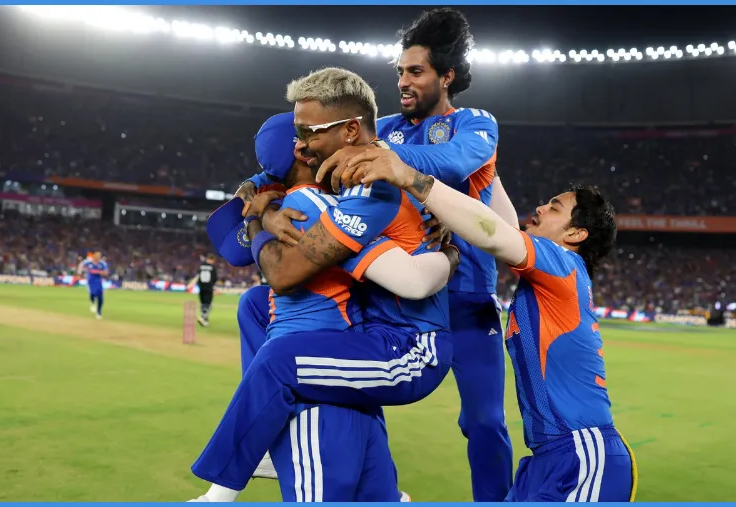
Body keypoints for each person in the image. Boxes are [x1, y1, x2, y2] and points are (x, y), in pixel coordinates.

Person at [342, 149, 638, 502]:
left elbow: (494, 233)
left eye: (554, 207)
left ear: (575, 234)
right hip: (548, 458)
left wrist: (409, 177)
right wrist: (485, 168)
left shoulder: (562, 263)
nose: (541, 208)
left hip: (581, 455)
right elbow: (498, 227)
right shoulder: (555, 274)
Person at [191, 109, 456, 501]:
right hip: (376, 333)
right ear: (304, 151)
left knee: (277, 357)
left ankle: (225, 484)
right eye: (311, 136)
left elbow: (413, 281)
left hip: (410, 346)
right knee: (254, 305)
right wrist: (264, 211)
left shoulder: (331, 194)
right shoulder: (317, 202)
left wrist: (261, 217)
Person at [313, 8, 517, 501]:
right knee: (349, 391)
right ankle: (379, 491)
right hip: (396, 293)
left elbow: (455, 161)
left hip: (466, 298)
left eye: (416, 71)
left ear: (446, 76)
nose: (403, 81)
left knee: (485, 421)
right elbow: (310, 147)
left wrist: (387, 159)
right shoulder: (381, 129)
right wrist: (261, 182)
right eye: (400, 71)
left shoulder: (475, 124)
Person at [188, 254, 218, 327]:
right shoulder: (212, 267)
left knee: (203, 303)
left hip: (201, 288)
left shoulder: (201, 266)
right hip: (209, 288)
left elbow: (198, 276)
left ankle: (204, 319)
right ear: (212, 260)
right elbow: (215, 278)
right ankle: (203, 317)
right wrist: (213, 286)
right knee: (208, 304)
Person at [77, 251, 108, 320]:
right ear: (94, 256)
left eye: (99, 257)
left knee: (100, 297)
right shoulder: (88, 262)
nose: (97, 258)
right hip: (90, 281)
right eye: (96, 256)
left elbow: (106, 273)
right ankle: (92, 302)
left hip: (98, 281)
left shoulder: (102, 263)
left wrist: (98, 272)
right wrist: (79, 274)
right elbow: (81, 265)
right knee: (93, 293)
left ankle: (99, 312)